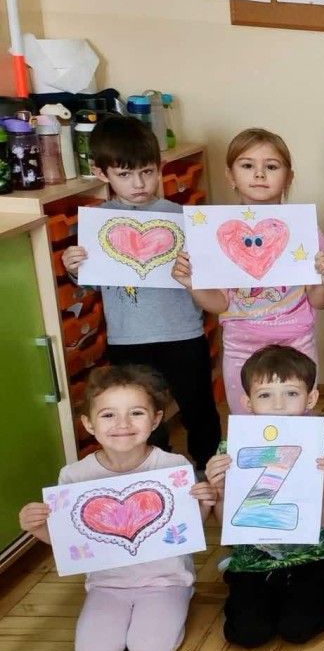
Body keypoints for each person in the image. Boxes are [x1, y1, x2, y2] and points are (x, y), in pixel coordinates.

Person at [19, 365, 217, 651]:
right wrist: (36, 527)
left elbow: (186, 529)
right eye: (108, 415)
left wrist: (204, 504)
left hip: (166, 580)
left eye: (136, 413)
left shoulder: (172, 466)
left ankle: (180, 597)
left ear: (155, 420)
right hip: (106, 585)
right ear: (89, 423)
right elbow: (69, 541)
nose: (122, 424)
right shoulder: (74, 476)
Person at [60, 115, 222, 468]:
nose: (138, 183)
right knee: (141, 415)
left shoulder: (181, 217)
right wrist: (74, 268)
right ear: (101, 173)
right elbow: (91, 282)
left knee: (199, 409)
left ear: (159, 167)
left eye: (147, 172)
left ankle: (211, 472)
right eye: (125, 174)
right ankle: (154, 475)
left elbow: (206, 275)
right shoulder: (97, 223)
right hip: (128, 338)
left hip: (183, 333)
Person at [174, 129, 324, 413]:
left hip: (295, 341)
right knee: (246, 419)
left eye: (271, 167)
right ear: (230, 175)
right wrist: (192, 283)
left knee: (298, 418)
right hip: (241, 344)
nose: (259, 174)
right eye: (248, 165)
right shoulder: (218, 231)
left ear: (289, 177)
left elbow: (320, 300)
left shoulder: (304, 229)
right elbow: (220, 303)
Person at [204, 345, 324, 647]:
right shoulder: (231, 448)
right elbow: (225, 523)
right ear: (248, 402)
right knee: (247, 634)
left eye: (291, 393)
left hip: (312, 554)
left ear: (311, 398)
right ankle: (242, 578)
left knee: (298, 629)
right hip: (251, 559)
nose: (279, 405)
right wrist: (220, 491)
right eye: (265, 395)